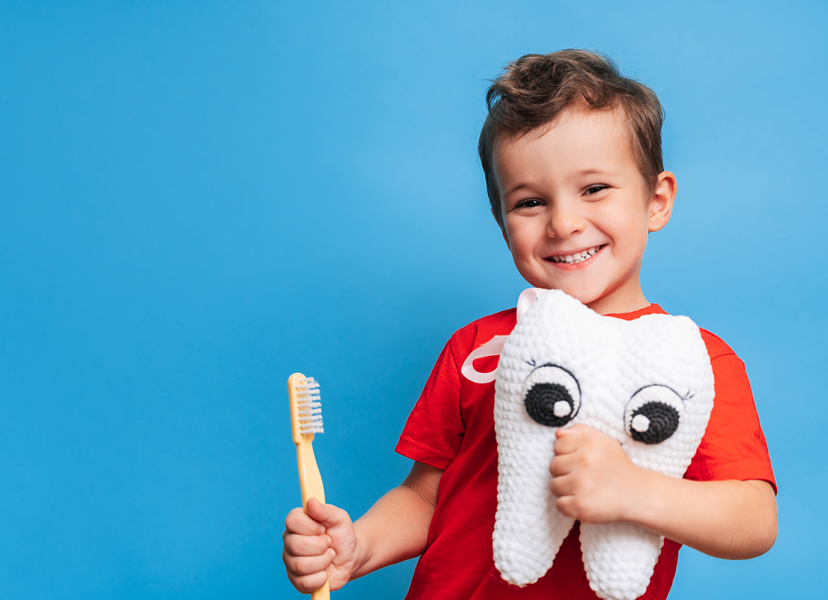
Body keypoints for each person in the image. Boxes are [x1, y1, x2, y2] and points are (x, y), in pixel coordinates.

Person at [281, 49, 777, 599]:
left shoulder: (693, 362)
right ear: (501, 222)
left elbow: (753, 520)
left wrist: (636, 491)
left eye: (594, 189)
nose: (564, 223)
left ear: (656, 201)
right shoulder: (478, 348)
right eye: (531, 201)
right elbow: (425, 498)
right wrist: (359, 546)